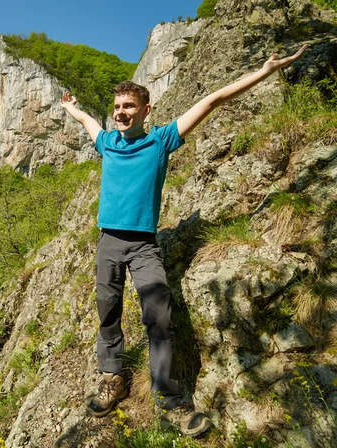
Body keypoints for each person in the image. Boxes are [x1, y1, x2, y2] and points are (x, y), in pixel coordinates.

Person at [60, 45, 307, 437]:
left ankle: (166, 398)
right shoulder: (106, 141)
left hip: (143, 244)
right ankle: (113, 378)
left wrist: (265, 70)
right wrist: (70, 106)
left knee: (158, 317)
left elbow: (213, 100)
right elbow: (86, 119)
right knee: (107, 310)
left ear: (146, 109)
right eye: (117, 106)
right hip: (108, 241)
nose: (121, 112)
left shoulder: (161, 141)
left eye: (129, 106)